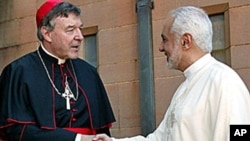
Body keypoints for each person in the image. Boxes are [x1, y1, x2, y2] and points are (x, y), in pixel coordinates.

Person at [92, 6, 250, 141]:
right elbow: (159, 139)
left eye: (165, 40)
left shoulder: (224, 82)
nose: (161, 47)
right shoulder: (185, 88)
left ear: (185, 41)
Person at [0, 0, 115, 141]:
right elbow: (16, 131)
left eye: (80, 28)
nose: (80, 36)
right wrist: (77, 139)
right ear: (47, 33)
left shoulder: (89, 73)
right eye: (70, 30)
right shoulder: (18, 71)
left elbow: (102, 130)